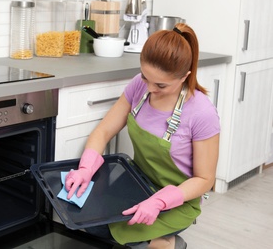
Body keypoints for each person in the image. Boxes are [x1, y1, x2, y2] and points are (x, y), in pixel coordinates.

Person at [64, 23, 220, 249]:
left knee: (107, 228)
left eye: (161, 85)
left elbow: (205, 179)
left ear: (184, 77)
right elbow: (104, 130)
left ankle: (167, 242)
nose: (149, 88)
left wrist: (159, 201)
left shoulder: (202, 113)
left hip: (177, 201)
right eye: (145, 77)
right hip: (136, 184)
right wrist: (86, 168)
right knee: (86, 218)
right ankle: (155, 242)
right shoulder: (140, 85)